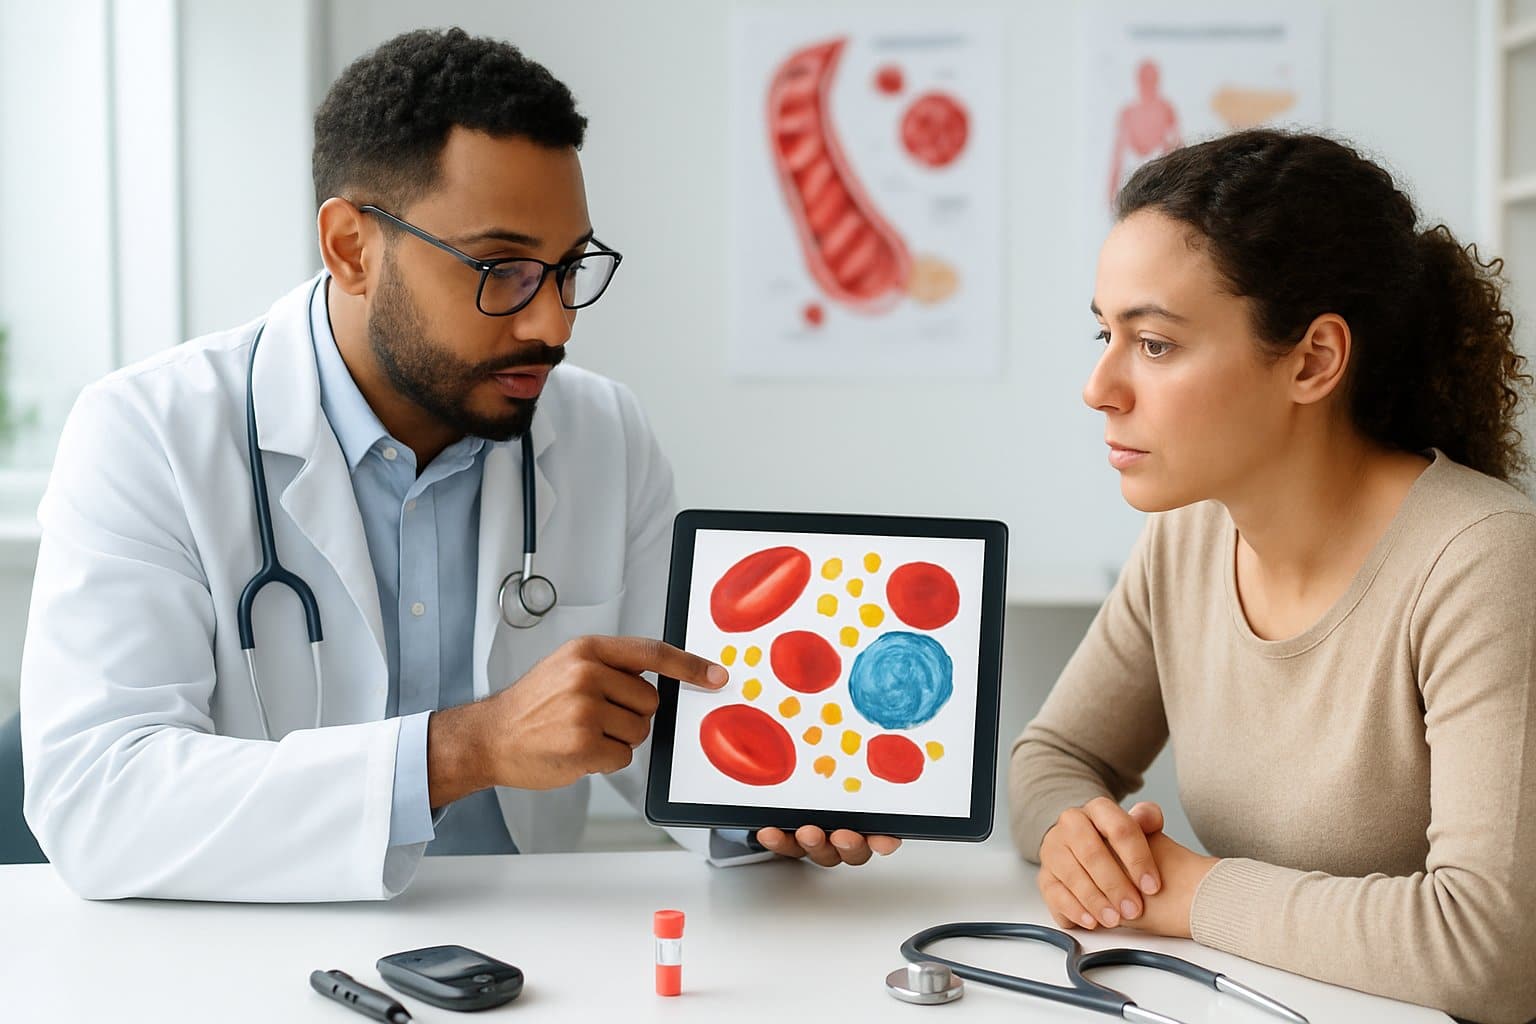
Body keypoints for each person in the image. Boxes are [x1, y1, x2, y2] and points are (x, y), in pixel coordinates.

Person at [21, 27, 896, 903]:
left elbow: (671, 729)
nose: (553, 324)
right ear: (352, 249)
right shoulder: (150, 433)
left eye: (569, 268)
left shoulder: (601, 431)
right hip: (256, 950)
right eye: (503, 269)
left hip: (532, 956)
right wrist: (465, 749)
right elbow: (97, 798)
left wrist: (773, 806)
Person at [1010, 129, 1536, 1024]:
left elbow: (1487, 947)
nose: (1099, 386)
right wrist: (1079, 840)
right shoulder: (1185, 537)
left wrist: (1186, 893)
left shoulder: (1485, 559)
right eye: (1105, 333)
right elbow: (1054, 760)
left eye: (1156, 344)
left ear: (1313, 361)